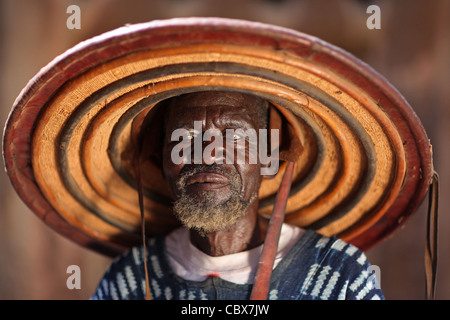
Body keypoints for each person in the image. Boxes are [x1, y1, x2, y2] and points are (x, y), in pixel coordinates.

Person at [90, 91, 384, 300]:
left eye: (234, 136)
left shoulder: (339, 276)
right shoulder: (127, 282)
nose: (207, 153)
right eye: (186, 136)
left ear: (268, 157)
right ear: (163, 157)